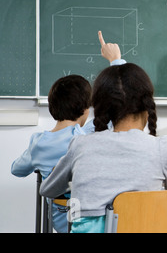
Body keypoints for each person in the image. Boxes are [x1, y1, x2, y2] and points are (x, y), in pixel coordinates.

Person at [40, 61, 167, 233]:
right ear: (147, 107)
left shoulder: (81, 145)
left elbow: (47, 190)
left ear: (102, 107)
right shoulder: (163, 147)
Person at [10, 31, 125, 233]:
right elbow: (120, 105)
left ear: (53, 107)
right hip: (89, 221)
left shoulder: (38, 142)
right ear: (85, 109)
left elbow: (17, 170)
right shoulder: (85, 138)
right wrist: (115, 61)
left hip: (61, 223)